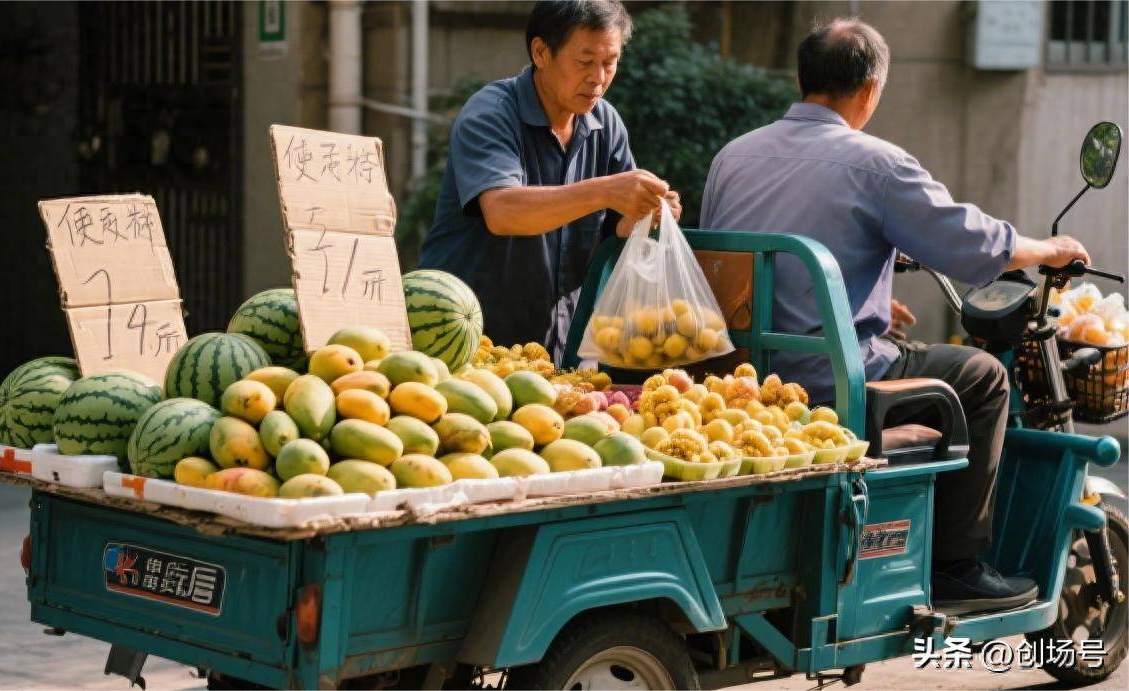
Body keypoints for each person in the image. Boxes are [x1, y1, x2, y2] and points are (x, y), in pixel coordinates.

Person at [699, 18, 1091, 614]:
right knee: (984, 375)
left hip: (743, 374)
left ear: (803, 80)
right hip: (832, 376)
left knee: (909, 346)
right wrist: (1048, 249)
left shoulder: (733, 156)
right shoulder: (877, 164)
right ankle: (957, 568)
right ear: (870, 90)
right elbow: (969, 242)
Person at [418, 0, 680, 361]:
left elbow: (616, 230)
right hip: (465, 348)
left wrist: (647, 213)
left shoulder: (606, 123)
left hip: (558, 351)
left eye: (610, 62)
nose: (598, 77)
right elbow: (502, 211)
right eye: (585, 62)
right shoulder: (492, 113)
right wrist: (605, 191)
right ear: (541, 53)